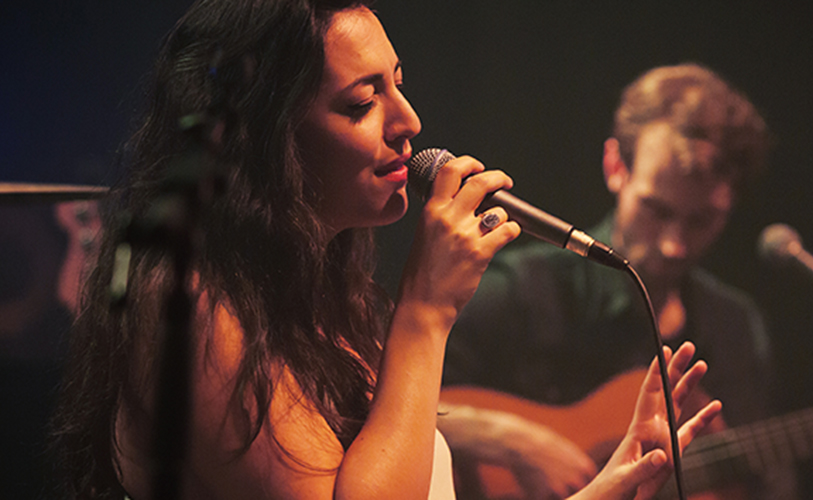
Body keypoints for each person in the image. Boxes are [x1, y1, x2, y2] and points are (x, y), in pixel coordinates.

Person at [46, 2, 720, 499]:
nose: (410, 123)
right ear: (261, 137)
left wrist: (610, 486)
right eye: (364, 101)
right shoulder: (193, 304)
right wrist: (426, 313)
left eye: (398, 82)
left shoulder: (313, 297)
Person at [439, 64, 813, 500]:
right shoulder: (519, 288)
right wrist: (509, 438)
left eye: (701, 220)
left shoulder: (735, 329)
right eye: (656, 210)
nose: (674, 243)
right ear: (615, 165)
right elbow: (378, 409)